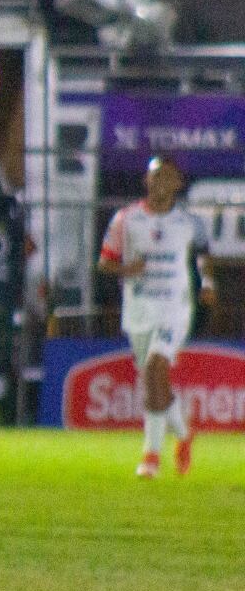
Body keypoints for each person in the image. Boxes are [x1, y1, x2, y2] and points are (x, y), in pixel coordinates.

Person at [97, 155, 214, 478]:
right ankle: (184, 433)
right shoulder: (125, 219)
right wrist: (126, 269)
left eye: (167, 176)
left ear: (178, 183)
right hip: (138, 310)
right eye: (155, 175)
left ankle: (151, 457)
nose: (160, 181)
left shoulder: (189, 222)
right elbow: (104, 263)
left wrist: (208, 284)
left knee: (154, 368)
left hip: (175, 308)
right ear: (145, 181)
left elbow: (203, 257)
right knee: (154, 381)